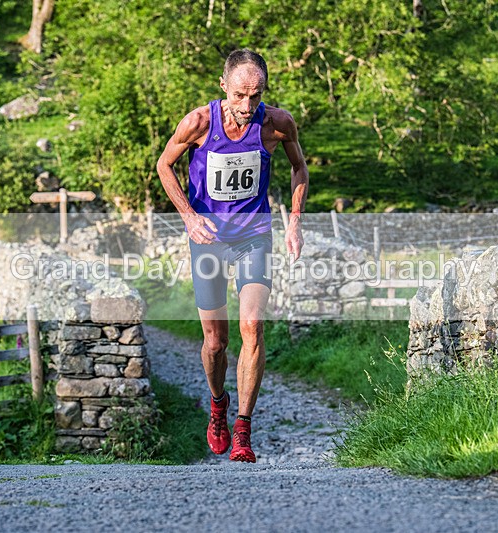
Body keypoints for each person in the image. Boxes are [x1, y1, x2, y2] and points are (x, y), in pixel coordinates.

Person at [156, 49, 308, 462]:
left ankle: (243, 428)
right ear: (223, 86)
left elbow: (299, 167)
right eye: (240, 95)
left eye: (255, 96)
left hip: (254, 236)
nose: (246, 106)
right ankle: (218, 404)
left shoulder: (278, 123)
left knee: (253, 327)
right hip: (208, 239)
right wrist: (188, 218)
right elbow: (164, 165)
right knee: (214, 342)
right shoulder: (198, 123)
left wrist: (294, 221)